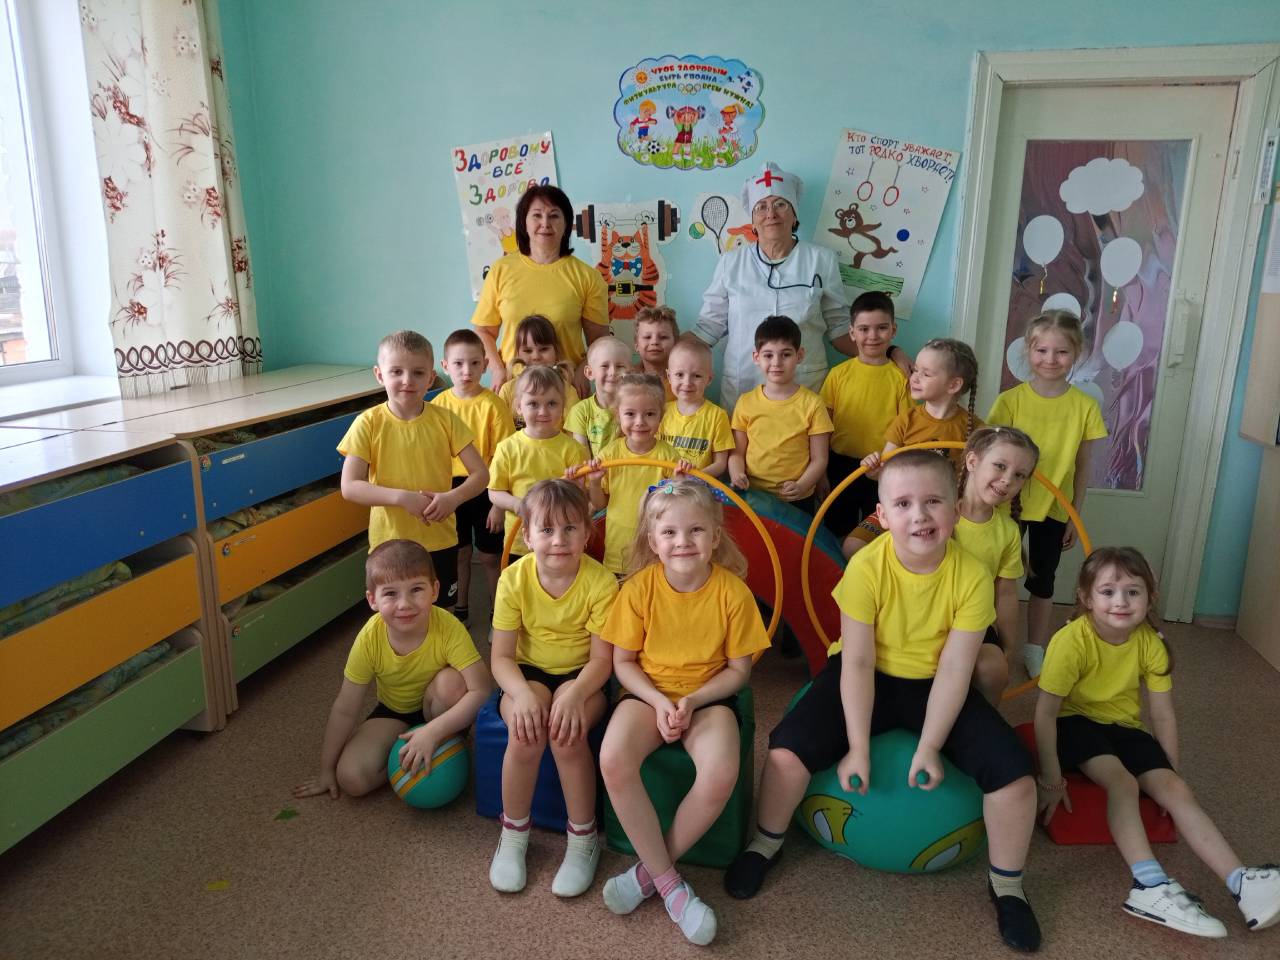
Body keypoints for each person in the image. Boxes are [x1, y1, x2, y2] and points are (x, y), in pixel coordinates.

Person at [725, 451, 1042, 954]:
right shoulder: (867, 568)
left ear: (955, 510)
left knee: (1017, 781)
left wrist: (930, 747)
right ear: (883, 515)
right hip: (865, 671)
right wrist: (856, 747)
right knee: (785, 751)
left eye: (933, 501)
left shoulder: (971, 577)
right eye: (904, 504)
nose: (920, 515)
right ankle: (766, 842)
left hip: (935, 681)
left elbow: (956, 670)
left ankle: (1007, 886)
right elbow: (855, 663)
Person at [1034, 546, 1280, 938]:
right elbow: (1045, 714)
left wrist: (1169, 774)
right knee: (1123, 783)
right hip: (1074, 723)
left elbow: (1163, 715)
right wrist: (1051, 778)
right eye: (1108, 591)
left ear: (1150, 598)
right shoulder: (1071, 641)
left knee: (1177, 790)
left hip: (1124, 726)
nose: (1121, 601)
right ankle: (1148, 885)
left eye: (1133, 592)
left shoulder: (1151, 642)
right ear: (1086, 597)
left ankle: (1242, 883)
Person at [599, 479, 770, 946]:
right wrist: (658, 701)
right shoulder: (638, 589)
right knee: (613, 759)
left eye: (696, 530)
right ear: (652, 541)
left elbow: (739, 672)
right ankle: (671, 884)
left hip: (708, 697)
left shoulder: (733, 593)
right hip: (647, 693)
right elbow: (623, 663)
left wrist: (692, 701)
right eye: (670, 532)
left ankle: (649, 874)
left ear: (715, 537)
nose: (683, 542)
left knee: (720, 773)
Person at [488, 480, 618, 897]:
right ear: (527, 536)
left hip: (582, 676)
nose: (559, 540)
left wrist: (576, 694)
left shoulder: (601, 583)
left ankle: (583, 840)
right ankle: (513, 835)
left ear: (587, 532)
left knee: (566, 734)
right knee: (525, 733)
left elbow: (602, 660)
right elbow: (501, 657)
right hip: (526, 673)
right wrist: (523, 695)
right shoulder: (513, 579)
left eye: (570, 528)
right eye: (546, 530)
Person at [694, 161, 911, 411]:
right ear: (752, 220)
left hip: (804, 386)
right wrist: (666, 348)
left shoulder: (822, 259)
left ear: (794, 214)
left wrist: (890, 352)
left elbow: (840, 329)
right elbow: (707, 328)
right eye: (761, 207)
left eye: (780, 204)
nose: (771, 214)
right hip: (744, 386)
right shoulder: (730, 262)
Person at [293, 540, 491, 800]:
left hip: (439, 705)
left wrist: (434, 731)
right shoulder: (369, 638)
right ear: (372, 600)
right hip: (394, 712)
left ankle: (452, 741)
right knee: (351, 779)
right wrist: (326, 769)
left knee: (450, 683)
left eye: (416, 589)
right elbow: (345, 708)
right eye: (390, 594)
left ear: (435, 590)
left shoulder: (448, 626)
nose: (404, 604)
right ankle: (406, 758)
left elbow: (482, 690)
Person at [988, 310, 1107, 679]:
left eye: (1061, 352)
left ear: (1077, 354)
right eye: (1041, 350)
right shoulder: (1010, 400)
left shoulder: (1084, 407)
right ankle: (990, 642)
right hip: (1006, 504)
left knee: (1043, 580)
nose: (1050, 359)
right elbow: (990, 457)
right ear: (1029, 350)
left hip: (1054, 508)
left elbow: (1082, 466)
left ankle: (1034, 648)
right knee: (996, 577)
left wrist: (1074, 513)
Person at [338, 330, 489, 611]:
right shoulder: (368, 423)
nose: (407, 380)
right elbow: (349, 486)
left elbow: (481, 475)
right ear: (379, 375)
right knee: (396, 614)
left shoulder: (446, 420)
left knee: (439, 614)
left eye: (418, 373)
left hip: (439, 539)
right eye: (396, 371)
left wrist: (453, 498)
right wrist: (401, 497)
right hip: (390, 543)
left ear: (431, 378)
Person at [845, 338, 981, 557]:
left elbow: (978, 483)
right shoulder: (906, 420)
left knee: (938, 553)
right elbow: (883, 473)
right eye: (916, 370)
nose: (914, 377)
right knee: (853, 547)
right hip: (900, 507)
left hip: (942, 514)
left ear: (953, 385)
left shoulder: (976, 430)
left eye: (925, 374)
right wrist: (873, 469)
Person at [471, 184, 611, 394]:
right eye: (537, 215)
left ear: (566, 224)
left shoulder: (587, 277)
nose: (545, 223)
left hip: (566, 391)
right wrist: (498, 369)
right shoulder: (501, 270)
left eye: (554, 216)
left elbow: (599, 339)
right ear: (523, 222)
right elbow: (483, 331)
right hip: (514, 391)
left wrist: (583, 370)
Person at [431, 329, 515, 623]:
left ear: (485, 365)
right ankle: (460, 610)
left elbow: (506, 457)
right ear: (445, 366)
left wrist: (498, 504)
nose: (466, 371)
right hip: (450, 491)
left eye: (474, 363)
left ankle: (498, 614)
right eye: (458, 364)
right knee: (460, 554)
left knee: (491, 556)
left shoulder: (494, 405)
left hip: (486, 488)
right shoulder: (437, 406)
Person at [954, 426, 1041, 702]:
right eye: (1000, 466)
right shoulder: (937, 512)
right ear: (972, 461)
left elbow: (1005, 594)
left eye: (1019, 475)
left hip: (975, 620)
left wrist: (1008, 646)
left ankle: (983, 721)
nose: (1007, 480)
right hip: (927, 617)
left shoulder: (1007, 531)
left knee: (994, 670)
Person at [818, 291, 912, 537]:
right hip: (840, 466)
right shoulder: (838, 375)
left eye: (881, 328)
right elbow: (823, 427)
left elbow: (907, 429)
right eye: (864, 329)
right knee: (837, 532)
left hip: (883, 468)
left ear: (893, 330)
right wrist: (821, 472)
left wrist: (892, 469)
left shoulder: (901, 378)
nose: (872, 336)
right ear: (852, 333)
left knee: (878, 534)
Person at [728, 315, 833, 513]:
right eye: (768, 355)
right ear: (756, 357)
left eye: (785, 354)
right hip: (753, 495)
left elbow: (820, 458)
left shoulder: (813, 404)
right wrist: (736, 474)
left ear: (799, 355)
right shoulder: (745, 402)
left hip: (797, 498)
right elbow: (737, 454)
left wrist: (801, 485)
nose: (776, 362)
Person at [488, 365, 589, 558]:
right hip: (519, 541)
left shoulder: (573, 449)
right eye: (533, 404)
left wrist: (577, 488)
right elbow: (495, 491)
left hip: (560, 543)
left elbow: (581, 498)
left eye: (552, 403)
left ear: (563, 406)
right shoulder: (507, 448)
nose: (543, 411)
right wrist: (518, 505)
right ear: (519, 406)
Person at [586, 373, 681, 576]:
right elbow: (600, 505)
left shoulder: (668, 456)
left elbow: (675, 501)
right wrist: (594, 483)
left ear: (661, 416)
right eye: (630, 414)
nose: (640, 422)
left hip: (654, 549)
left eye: (649, 414)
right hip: (618, 549)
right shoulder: (610, 454)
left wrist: (679, 481)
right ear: (617, 415)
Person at [660, 334, 733, 478]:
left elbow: (721, 464)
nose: (687, 383)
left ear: (709, 379)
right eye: (679, 374)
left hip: (698, 486)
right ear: (669, 377)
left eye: (697, 376)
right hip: (665, 485)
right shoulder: (661, 412)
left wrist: (693, 476)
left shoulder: (718, 416)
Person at [496, 314, 580, 428]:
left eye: (544, 349)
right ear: (518, 354)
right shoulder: (507, 390)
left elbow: (573, 433)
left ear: (556, 352)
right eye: (528, 351)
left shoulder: (568, 391)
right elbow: (501, 430)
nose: (536, 356)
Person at [566, 335, 631, 455]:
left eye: (620, 366)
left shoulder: (635, 408)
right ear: (590, 373)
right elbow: (582, 456)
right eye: (605, 366)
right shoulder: (580, 412)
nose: (613, 372)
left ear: (630, 372)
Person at [633, 305, 679, 402]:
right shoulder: (627, 380)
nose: (654, 342)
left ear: (675, 344)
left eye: (663, 337)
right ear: (636, 345)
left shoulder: (684, 382)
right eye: (647, 337)